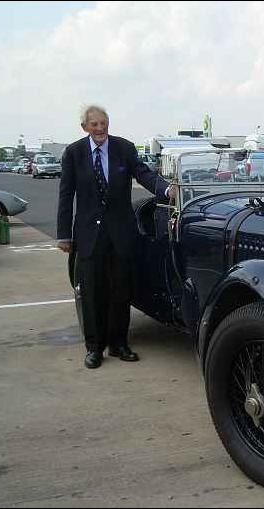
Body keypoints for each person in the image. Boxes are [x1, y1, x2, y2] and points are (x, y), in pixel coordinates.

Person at [56, 105, 177, 369]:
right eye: (95, 124)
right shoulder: (74, 153)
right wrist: (63, 235)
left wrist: (166, 189)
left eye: (104, 123)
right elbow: (66, 195)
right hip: (89, 234)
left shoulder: (124, 148)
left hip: (121, 232)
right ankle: (94, 348)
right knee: (93, 292)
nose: (100, 129)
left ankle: (119, 344)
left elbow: (144, 174)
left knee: (121, 290)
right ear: (85, 127)